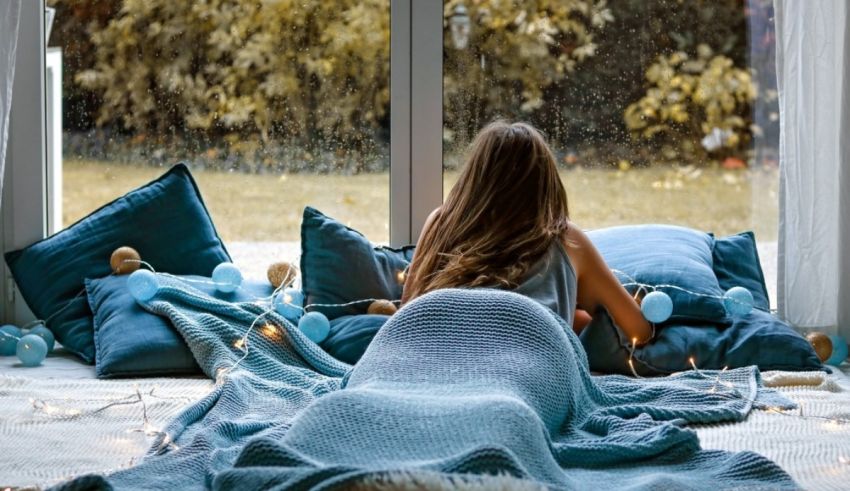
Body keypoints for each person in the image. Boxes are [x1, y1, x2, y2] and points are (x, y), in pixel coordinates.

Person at [402, 121, 652, 345]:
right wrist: (571, 312)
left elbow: (408, 310)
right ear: (546, 182)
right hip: (523, 354)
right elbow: (637, 330)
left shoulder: (440, 222)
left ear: (473, 177)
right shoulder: (565, 239)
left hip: (431, 342)